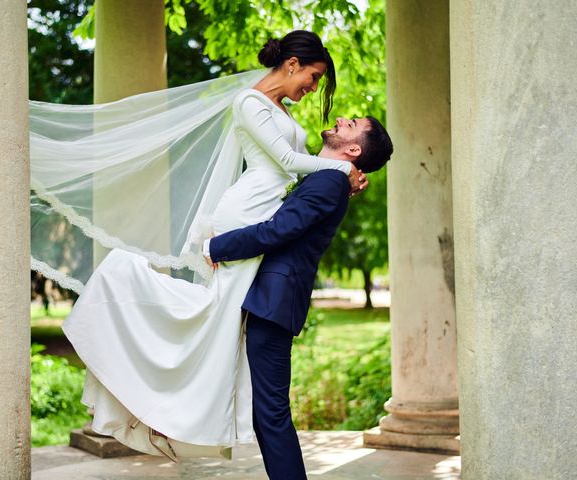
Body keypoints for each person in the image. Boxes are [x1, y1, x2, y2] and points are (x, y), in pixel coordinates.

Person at [61, 30, 367, 461]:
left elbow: (298, 176)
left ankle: (176, 413)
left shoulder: (277, 108)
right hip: (247, 209)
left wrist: (339, 177)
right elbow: (284, 162)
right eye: (314, 77)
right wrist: (342, 172)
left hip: (264, 208)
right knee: (215, 318)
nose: (313, 88)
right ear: (293, 64)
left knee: (217, 320)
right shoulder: (249, 101)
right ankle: (130, 317)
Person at [205, 116, 393, 478]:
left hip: (274, 301)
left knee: (271, 414)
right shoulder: (328, 178)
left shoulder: (328, 182)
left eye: (351, 123)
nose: (340, 119)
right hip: (269, 298)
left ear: (353, 149)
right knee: (267, 414)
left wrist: (216, 247)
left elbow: (279, 230)